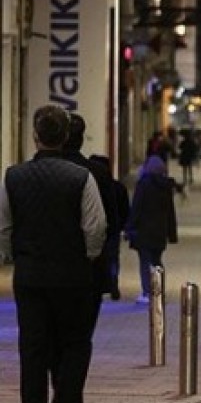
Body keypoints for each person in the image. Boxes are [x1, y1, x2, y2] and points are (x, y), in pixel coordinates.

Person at [0, 105, 107, 403]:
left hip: (30, 276)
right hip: (72, 275)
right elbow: (96, 226)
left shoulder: (13, 177)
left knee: (32, 348)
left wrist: (12, 256)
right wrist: (87, 256)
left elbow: (3, 226)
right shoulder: (81, 178)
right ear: (65, 137)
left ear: (36, 136)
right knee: (75, 344)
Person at [59, 114, 123, 306]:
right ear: (81, 139)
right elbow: (110, 221)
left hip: (42, 271)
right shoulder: (98, 172)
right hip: (88, 269)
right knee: (82, 323)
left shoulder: (29, 174)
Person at [125, 155, 179, 305]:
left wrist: (129, 227)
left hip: (144, 231)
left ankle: (147, 292)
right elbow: (170, 212)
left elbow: (137, 207)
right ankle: (159, 291)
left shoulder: (143, 184)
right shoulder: (166, 187)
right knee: (157, 261)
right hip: (160, 232)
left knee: (145, 262)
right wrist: (172, 234)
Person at [89, 155, 129, 301]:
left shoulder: (89, 188)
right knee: (113, 258)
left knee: (95, 258)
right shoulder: (118, 187)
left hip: (94, 229)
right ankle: (113, 282)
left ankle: (98, 284)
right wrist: (123, 225)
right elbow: (125, 209)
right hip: (113, 229)